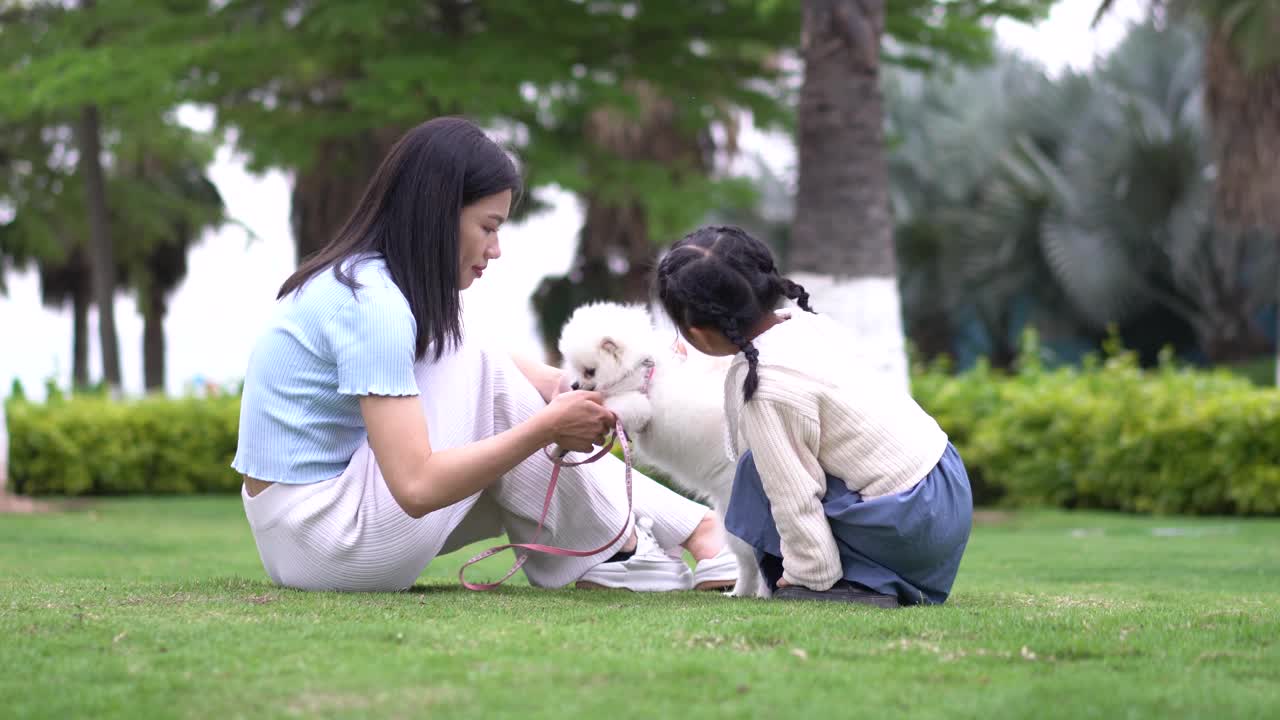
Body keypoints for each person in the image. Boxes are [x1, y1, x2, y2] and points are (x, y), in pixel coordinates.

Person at [232, 117, 733, 592]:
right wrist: (547, 427)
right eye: (488, 227)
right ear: (437, 216)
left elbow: (523, 380)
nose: (495, 250)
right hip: (329, 543)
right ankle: (627, 550)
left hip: (296, 534)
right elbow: (416, 486)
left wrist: (588, 389)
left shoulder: (360, 281)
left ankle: (681, 536)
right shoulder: (374, 307)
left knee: (478, 356)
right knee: (473, 359)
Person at [653, 225, 973, 606]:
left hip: (911, 523)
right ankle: (870, 572)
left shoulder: (766, 386)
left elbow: (794, 494)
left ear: (698, 333)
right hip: (947, 487)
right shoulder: (807, 325)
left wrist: (808, 577)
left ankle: (850, 583)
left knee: (755, 474)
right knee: (760, 468)